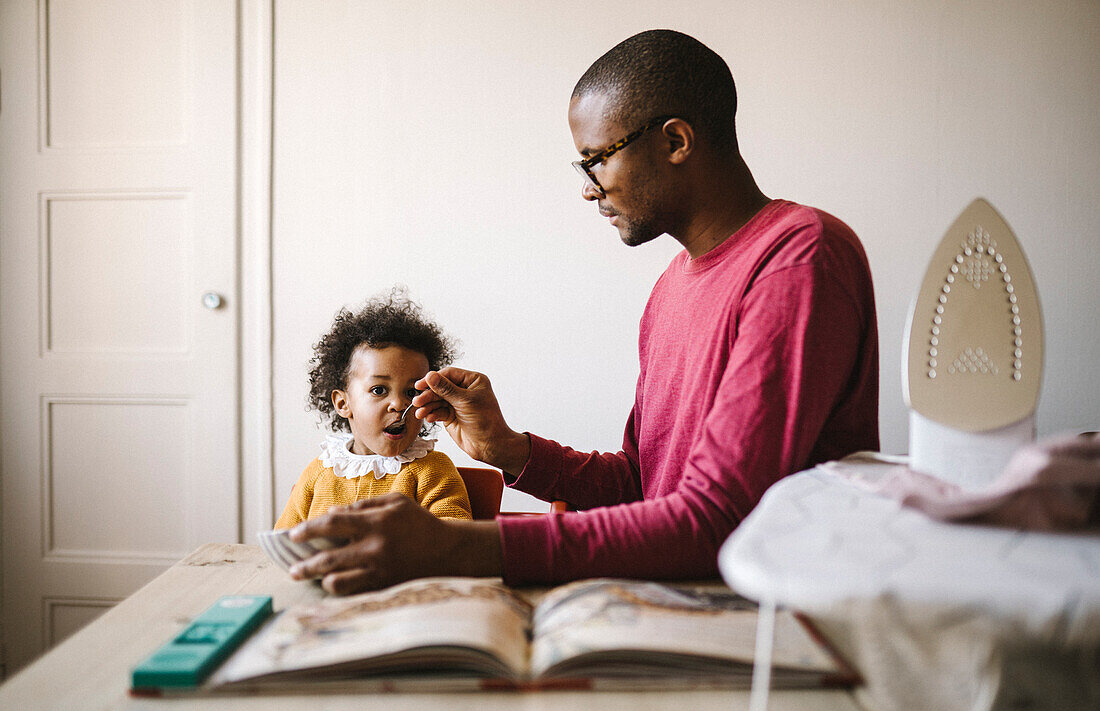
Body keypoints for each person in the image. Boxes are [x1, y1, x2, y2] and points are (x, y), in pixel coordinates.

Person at [287, 29, 879, 594]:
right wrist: (510, 450)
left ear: (675, 141)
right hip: (672, 593)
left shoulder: (799, 257)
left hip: (763, 621)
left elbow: (718, 521)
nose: (588, 188)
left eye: (596, 159)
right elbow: (640, 485)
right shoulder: (670, 290)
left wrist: (458, 546)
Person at [275, 288, 471, 529]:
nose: (399, 404)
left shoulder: (432, 470)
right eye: (379, 390)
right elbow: (284, 539)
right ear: (343, 403)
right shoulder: (319, 472)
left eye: (412, 392)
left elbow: (456, 541)